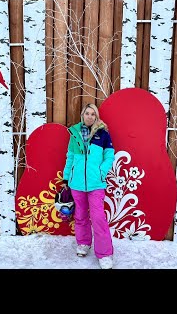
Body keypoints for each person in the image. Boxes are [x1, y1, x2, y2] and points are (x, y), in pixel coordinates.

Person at [62, 103, 115, 269]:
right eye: (87, 113)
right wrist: (66, 178)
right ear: (82, 115)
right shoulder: (75, 134)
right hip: (77, 182)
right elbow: (70, 157)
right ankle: (84, 243)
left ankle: (105, 254)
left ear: (96, 117)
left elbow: (110, 156)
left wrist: (101, 171)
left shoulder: (103, 134)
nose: (90, 116)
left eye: (93, 114)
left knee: (98, 218)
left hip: (95, 183)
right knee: (80, 216)